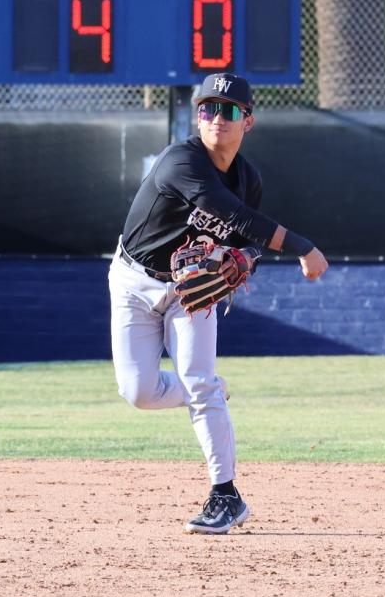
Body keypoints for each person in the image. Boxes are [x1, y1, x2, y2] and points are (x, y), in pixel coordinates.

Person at [109, 72, 329, 534]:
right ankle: (208, 390)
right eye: (207, 108)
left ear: (248, 121)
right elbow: (232, 214)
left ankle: (225, 495)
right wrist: (304, 247)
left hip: (192, 288)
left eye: (228, 110)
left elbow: (248, 243)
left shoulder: (249, 179)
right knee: (139, 392)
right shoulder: (180, 160)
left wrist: (245, 258)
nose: (216, 118)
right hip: (134, 281)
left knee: (199, 383)